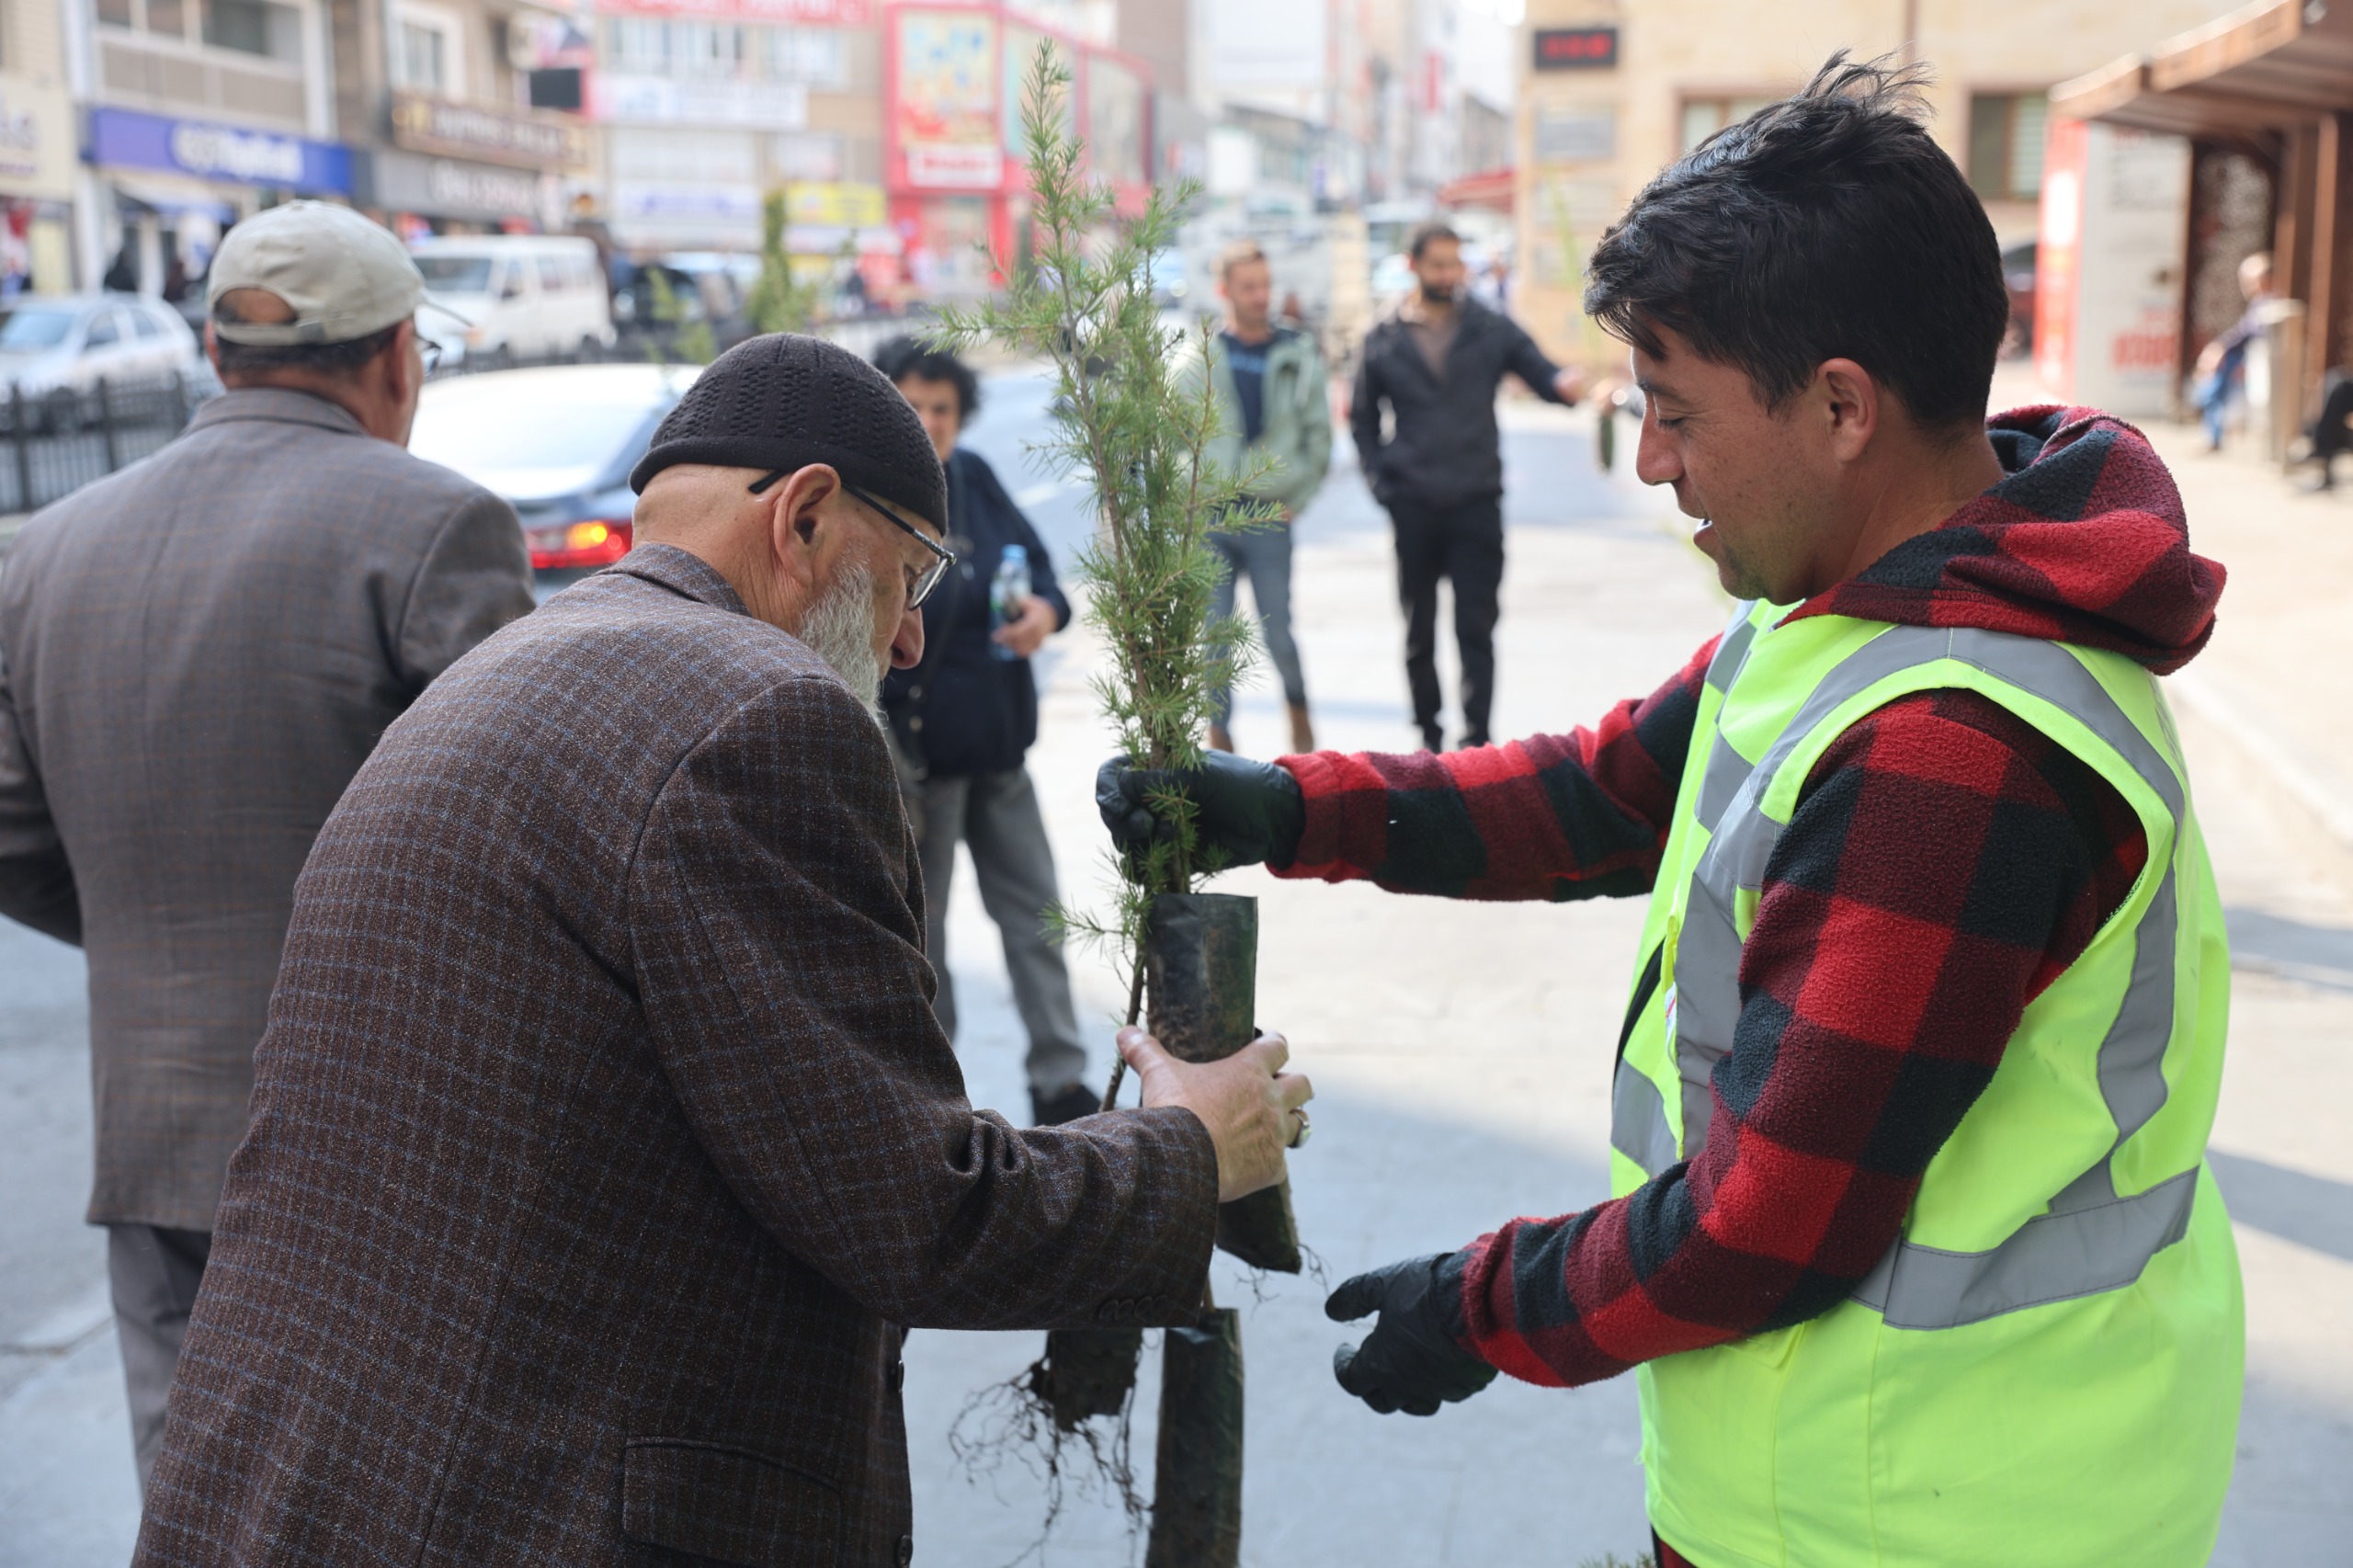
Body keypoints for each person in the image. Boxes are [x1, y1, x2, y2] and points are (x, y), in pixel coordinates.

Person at [1101, 58, 2238, 1568]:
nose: (1648, 459)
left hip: (1932, 1510)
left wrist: (1483, 1304)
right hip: (1848, 1478)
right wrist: (1291, 806)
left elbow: (1767, 1218)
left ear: (1841, 406)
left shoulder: (1952, 749)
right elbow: (1599, 793)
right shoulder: (1865, 604)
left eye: (1676, 412)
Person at [131, 333, 1313, 1567]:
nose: (911, 638)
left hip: (313, 1489)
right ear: (803, 519)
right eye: (910, 574)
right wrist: (1189, 1145)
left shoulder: (507, 668)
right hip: (519, 1514)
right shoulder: (759, 714)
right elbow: (914, 1208)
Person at [0, 200, 533, 1494]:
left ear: (219, 350)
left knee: (196, 1502)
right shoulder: (437, 526)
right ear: (397, 356)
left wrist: (148, 912)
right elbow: (527, 835)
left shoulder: (44, 552)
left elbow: (14, 839)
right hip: (393, 1148)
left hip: (159, 1149)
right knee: (398, 1502)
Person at [873, 335, 1097, 1126]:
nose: (929, 421)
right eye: (912, 405)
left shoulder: (975, 480)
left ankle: (1062, 1084)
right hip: (916, 771)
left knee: (1036, 917)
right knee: (922, 947)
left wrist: (1045, 612)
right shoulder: (873, 501)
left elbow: (1042, 576)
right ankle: (937, 1104)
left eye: (943, 408)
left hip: (1000, 755)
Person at [1352, 220, 1584, 752]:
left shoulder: (1487, 326)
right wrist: (1382, 487)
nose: (1450, 273)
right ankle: (1428, 738)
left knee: (1476, 629)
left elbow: (1539, 369)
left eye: (1456, 263)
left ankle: (1476, 742)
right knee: (1419, 631)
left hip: (1476, 501)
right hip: (1412, 504)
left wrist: (1563, 385)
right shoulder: (1382, 338)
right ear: (1413, 266)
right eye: (1439, 264)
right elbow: (1363, 421)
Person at [1184, 241, 1333, 756]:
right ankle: (1220, 744)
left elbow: (1320, 438)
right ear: (1224, 290)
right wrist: (1189, 496)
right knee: (1214, 639)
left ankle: (1300, 720)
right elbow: (1176, 437)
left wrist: (1300, 498)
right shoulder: (1200, 354)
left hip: (1270, 513)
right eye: (1248, 287)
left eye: (1264, 285)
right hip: (1212, 517)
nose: (1259, 296)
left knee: (1279, 632)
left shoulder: (1296, 352)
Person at [2191, 250, 2273, 450]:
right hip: (2243, 359)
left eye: (2250, 280)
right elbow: (2240, 334)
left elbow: (2252, 339)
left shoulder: (2270, 305)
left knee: (2215, 386)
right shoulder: (2258, 304)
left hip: (2256, 364)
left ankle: (2210, 425)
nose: (2246, 285)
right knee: (2213, 383)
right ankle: (2209, 426)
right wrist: (2217, 349)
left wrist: (2223, 353)